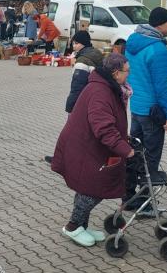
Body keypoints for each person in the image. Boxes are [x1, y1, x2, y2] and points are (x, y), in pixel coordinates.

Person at [52, 52, 135, 247]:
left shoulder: (107, 87)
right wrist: (126, 149)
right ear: (115, 73)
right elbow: (104, 128)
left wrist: (124, 140)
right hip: (84, 147)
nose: (128, 75)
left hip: (89, 146)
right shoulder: (101, 92)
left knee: (87, 187)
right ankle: (72, 227)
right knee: (93, 189)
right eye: (126, 71)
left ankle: (82, 224)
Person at [124, 7, 167, 197]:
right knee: (151, 159)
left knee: (134, 154)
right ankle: (145, 201)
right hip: (153, 111)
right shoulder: (158, 49)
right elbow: (163, 87)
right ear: (160, 24)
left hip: (136, 107)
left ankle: (128, 195)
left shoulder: (132, 42)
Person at [65, 30, 105, 113]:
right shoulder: (97, 53)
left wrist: (70, 106)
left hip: (84, 101)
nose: (74, 46)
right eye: (73, 43)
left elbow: (77, 87)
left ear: (83, 43)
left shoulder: (82, 62)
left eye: (76, 43)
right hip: (97, 97)